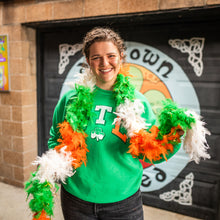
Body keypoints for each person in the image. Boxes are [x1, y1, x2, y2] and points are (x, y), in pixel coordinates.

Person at [47, 27, 182, 220]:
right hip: (76, 199)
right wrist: (58, 166)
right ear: (87, 61)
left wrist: (175, 136)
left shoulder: (138, 103)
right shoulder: (70, 99)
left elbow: (154, 151)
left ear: (121, 57)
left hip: (124, 202)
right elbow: (55, 139)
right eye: (96, 57)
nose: (104, 63)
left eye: (111, 55)